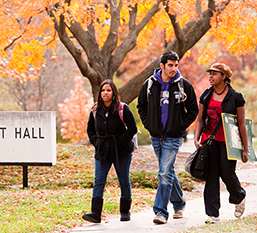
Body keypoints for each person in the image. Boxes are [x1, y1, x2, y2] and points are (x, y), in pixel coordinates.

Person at [137, 50, 199, 224]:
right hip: (156, 135)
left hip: (173, 136)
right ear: (162, 66)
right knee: (168, 171)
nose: (173, 68)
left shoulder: (183, 85)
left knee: (164, 172)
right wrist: (149, 124)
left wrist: (179, 126)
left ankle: (161, 212)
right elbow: (141, 106)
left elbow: (193, 110)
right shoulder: (149, 84)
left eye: (176, 65)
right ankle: (179, 203)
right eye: (170, 65)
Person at [193, 63, 248, 224]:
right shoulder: (206, 95)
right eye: (209, 73)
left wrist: (245, 148)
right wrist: (197, 138)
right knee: (211, 176)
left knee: (227, 173)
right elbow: (200, 119)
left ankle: (239, 196)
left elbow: (242, 124)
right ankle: (212, 214)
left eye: (214, 74)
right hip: (209, 142)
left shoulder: (236, 97)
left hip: (227, 143)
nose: (210, 76)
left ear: (224, 76)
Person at [83, 79, 138, 223]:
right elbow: (90, 130)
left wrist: (120, 141)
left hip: (122, 151)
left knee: (123, 180)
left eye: (108, 90)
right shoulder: (95, 111)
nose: (105, 93)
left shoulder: (122, 108)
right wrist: (96, 142)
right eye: (103, 90)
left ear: (113, 93)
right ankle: (95, 213)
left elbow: (132, 128)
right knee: (99, 180)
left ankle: (125, 211)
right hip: (102, 151)